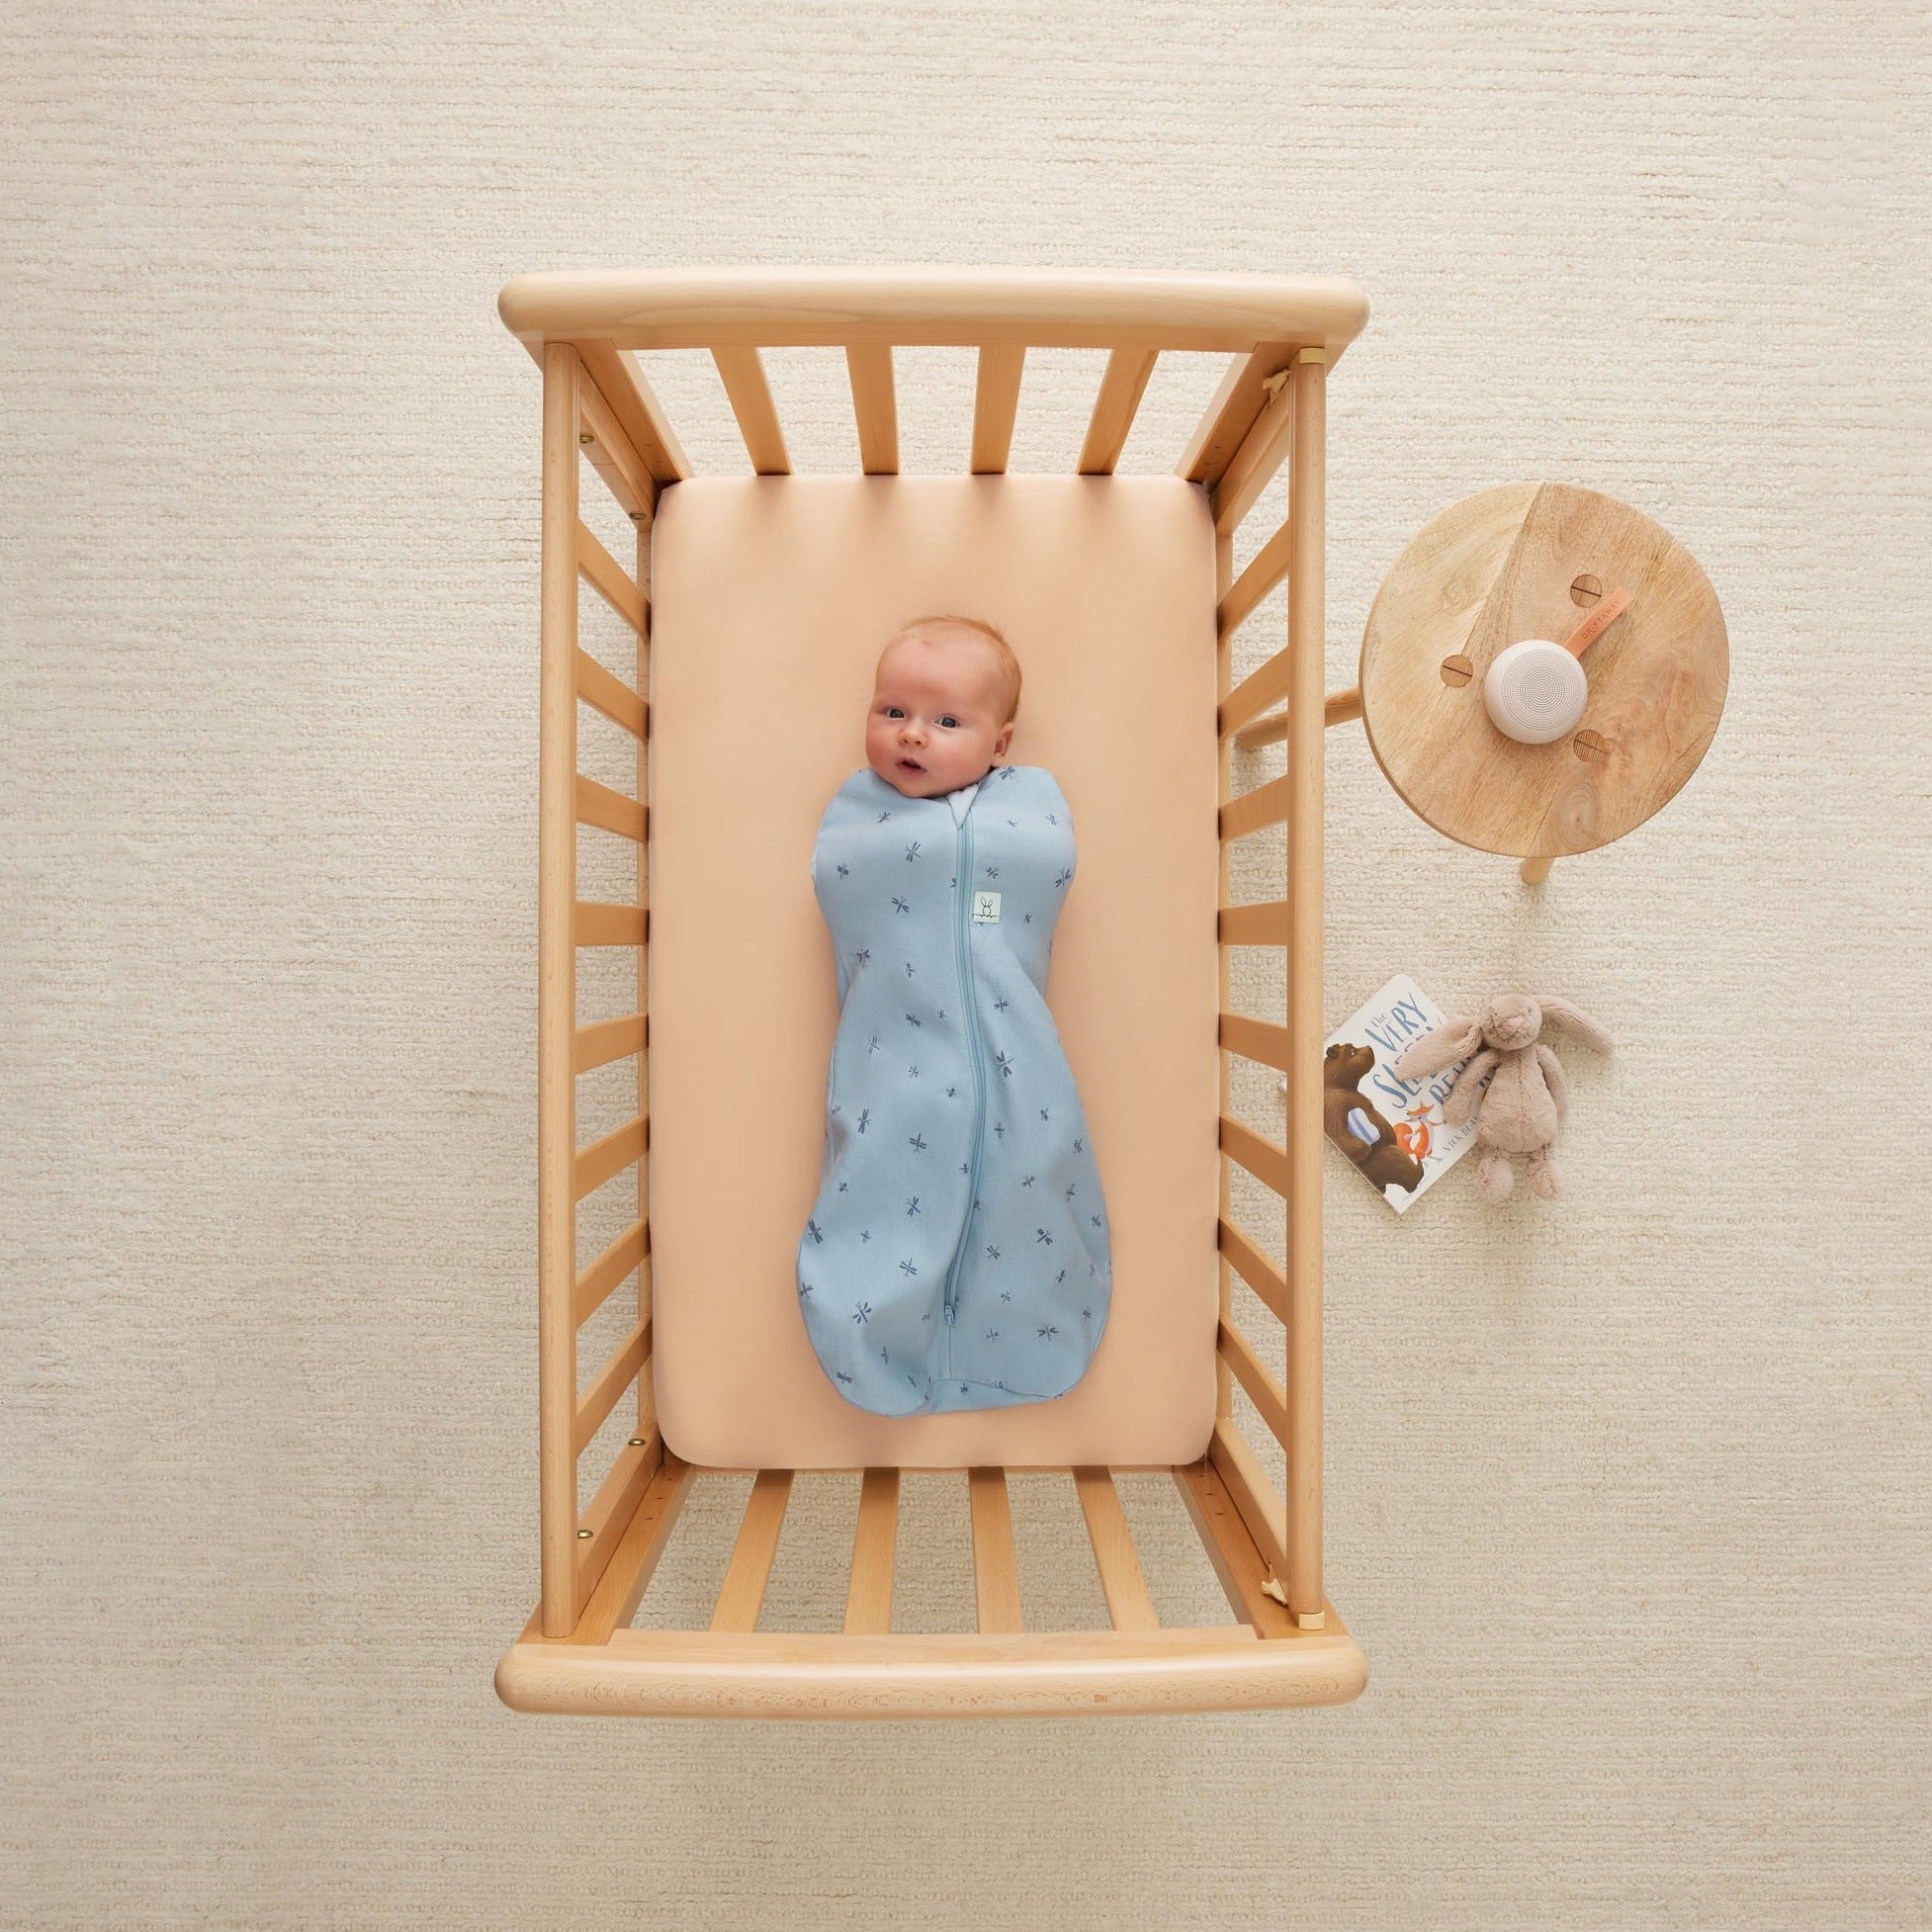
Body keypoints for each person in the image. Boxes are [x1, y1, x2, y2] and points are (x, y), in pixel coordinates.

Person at [795, 616, 1112, 1416]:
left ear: (1000, 745)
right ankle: (873, 1338)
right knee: (883, 1177)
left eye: (945, 720)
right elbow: (850, 889)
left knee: (1031, 1172)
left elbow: (1040, 872)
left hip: (1019, 1055)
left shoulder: (1028, 805)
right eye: (893, 711)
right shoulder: (859, 816)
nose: (912, 734)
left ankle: (1024, 1338)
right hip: (893, 1059)